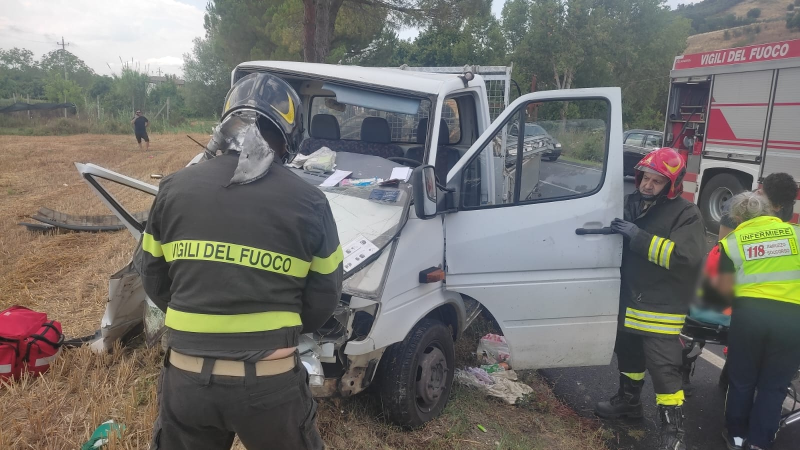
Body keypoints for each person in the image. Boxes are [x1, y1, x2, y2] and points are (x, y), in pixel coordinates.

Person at [134, 72, 343, 450]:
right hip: (271, 383)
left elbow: (153, 276)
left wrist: (199, 317)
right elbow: (325, 296)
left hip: (186, 378)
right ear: (288, 135)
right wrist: (283, 329)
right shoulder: (310, 202)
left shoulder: (174, 187)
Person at [594, 147, 706, 450]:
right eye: (645, 178)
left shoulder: (685, 213)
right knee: (628, 356)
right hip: (628, 301)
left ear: (672, 185)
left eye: (657, 181)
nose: (647, 185)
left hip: (659, 307)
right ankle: (629, 403)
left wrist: (639, 237)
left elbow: (686, 257)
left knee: (664, 369)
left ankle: (673, 432)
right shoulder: (629, 203)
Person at [718, 190, 800, 450]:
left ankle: (736, 436)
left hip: (750, 316)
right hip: (792, 318)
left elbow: (722, 288)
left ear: (738, 217)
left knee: (742, 379)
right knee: (774, 384)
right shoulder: (796, 233)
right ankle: (760, 442)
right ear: (769, 210)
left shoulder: (733, 240)